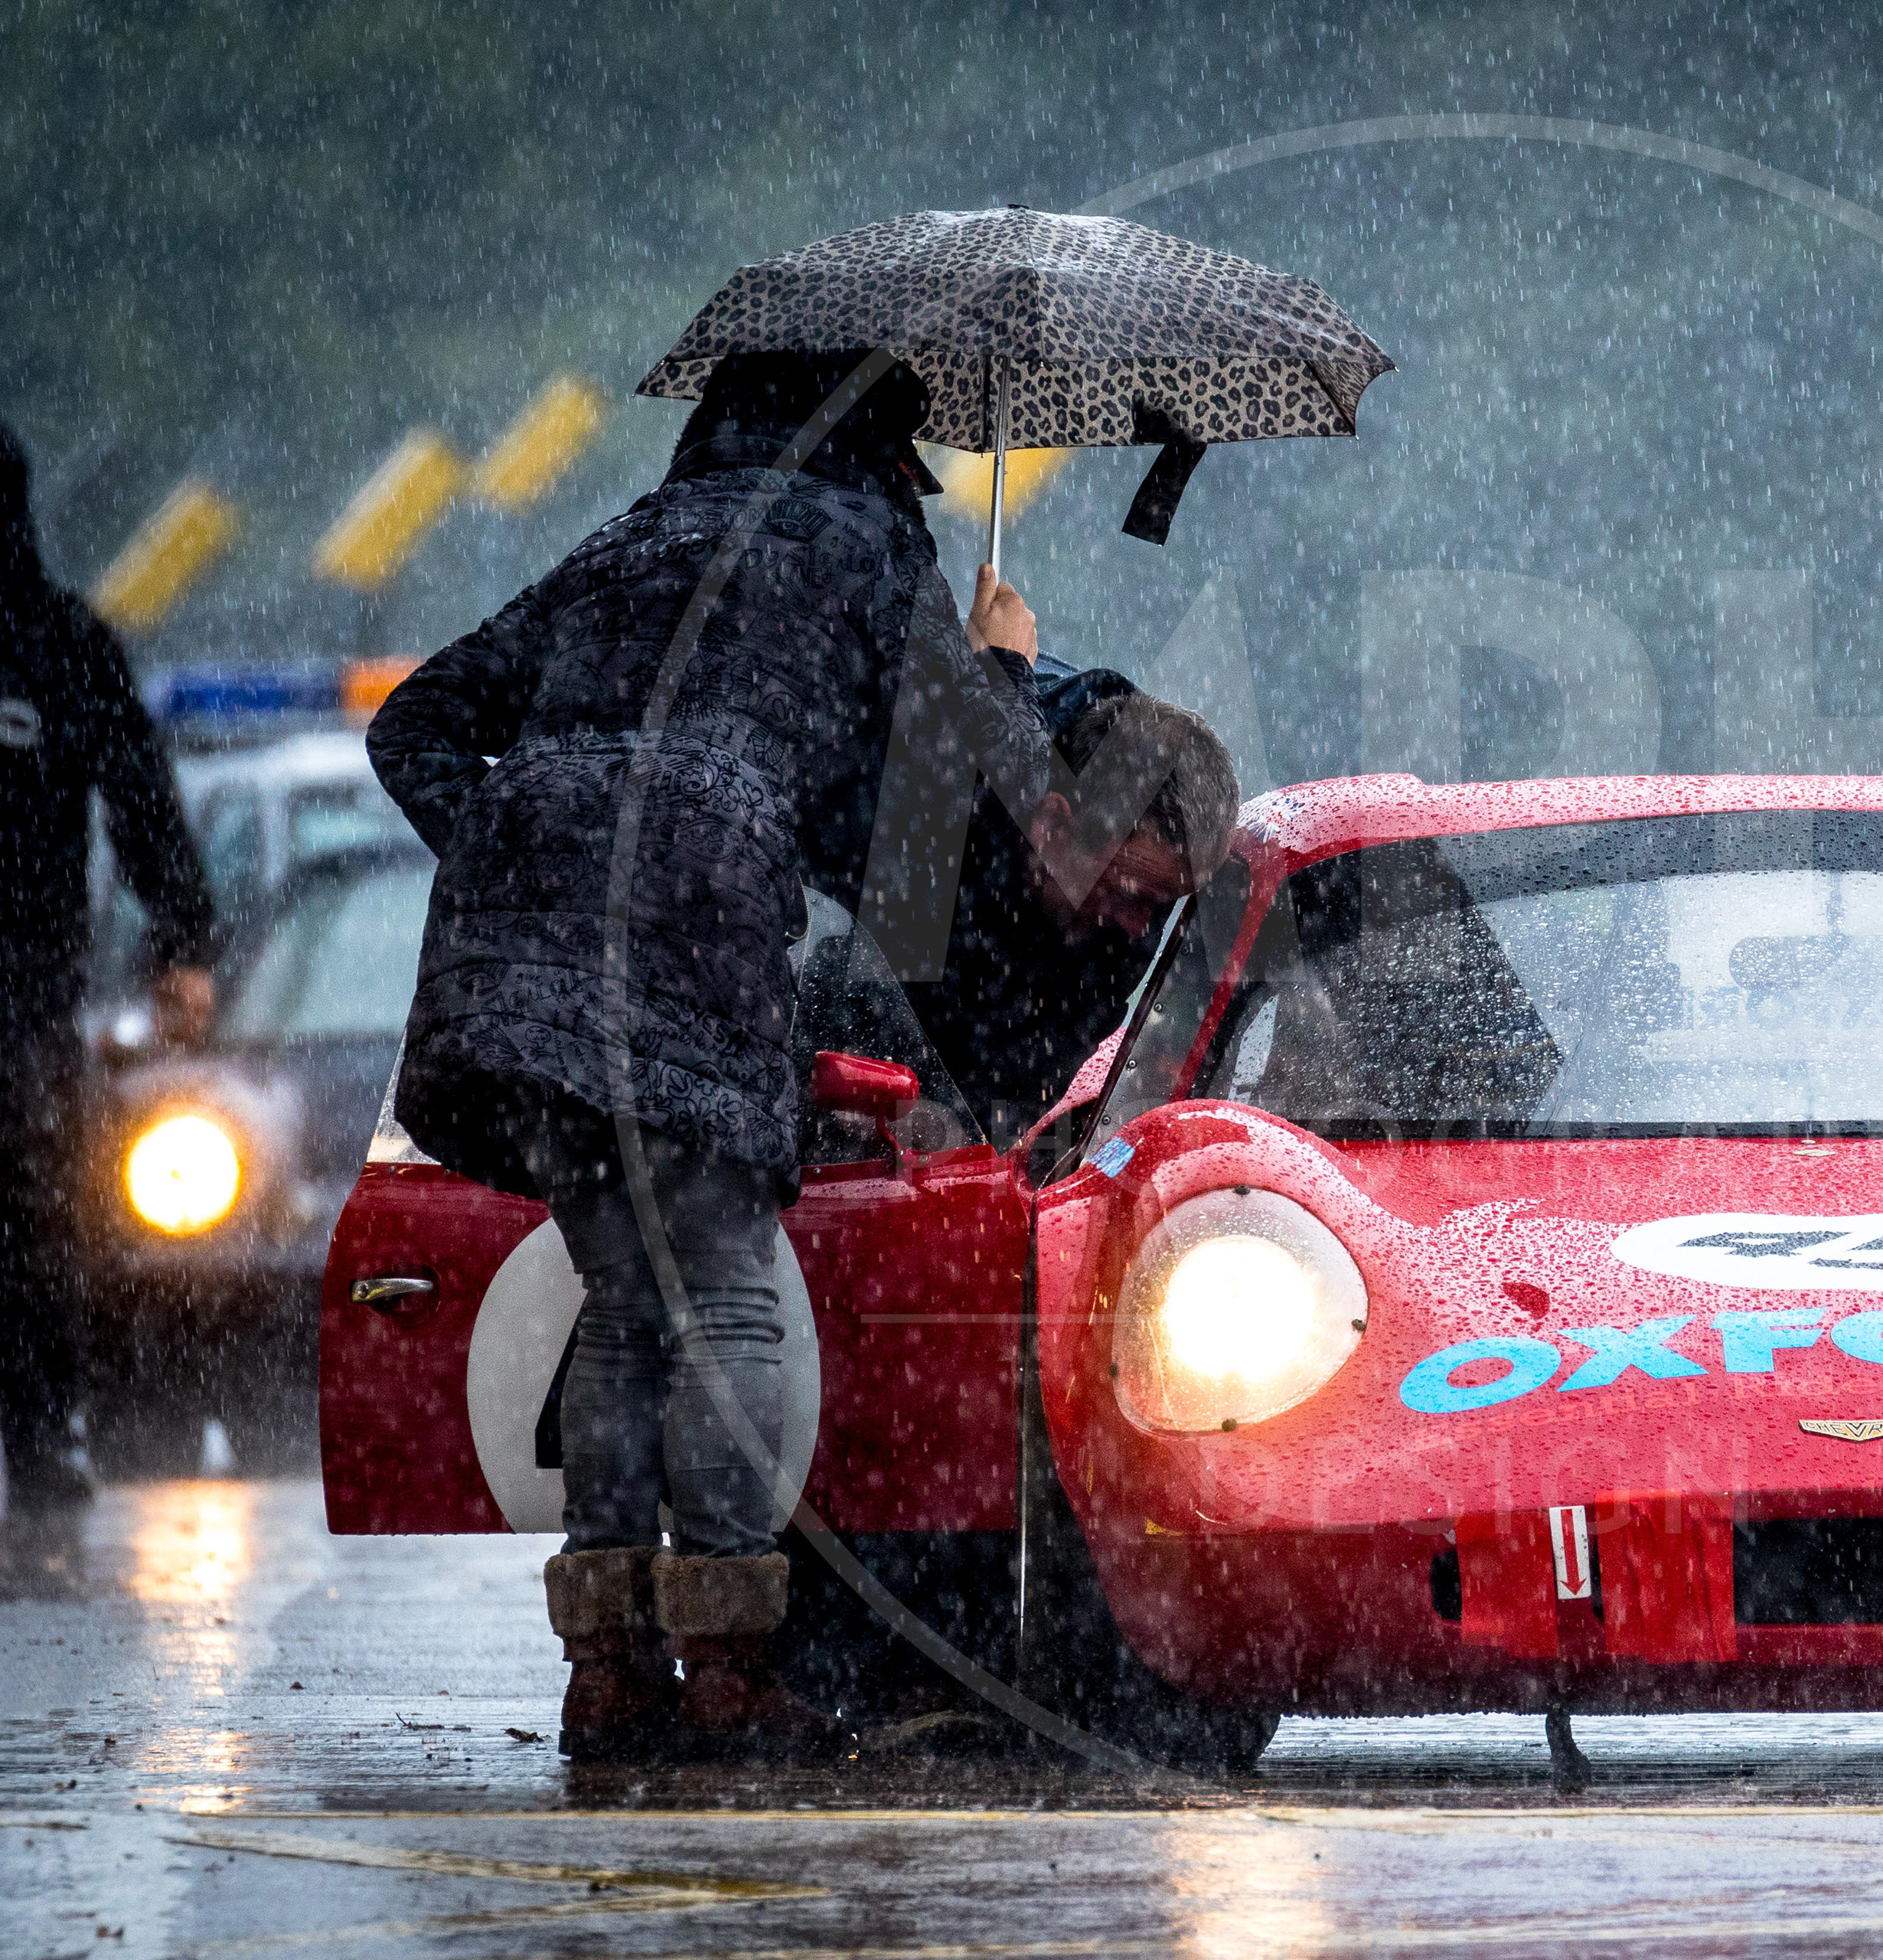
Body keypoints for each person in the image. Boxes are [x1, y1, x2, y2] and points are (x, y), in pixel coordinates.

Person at [367, 351, 1046, 1763]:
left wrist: (511, 853)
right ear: (878, 444)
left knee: (626, 1300)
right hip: (693, 929)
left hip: (518, 971)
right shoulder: (865, 538)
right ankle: (730, 1666)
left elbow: (413, 723)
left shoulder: (630, 535)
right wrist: (1002, 659)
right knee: (726, 1291)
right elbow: (978, 775)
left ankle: (609, 1671)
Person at [0, 425, 216, 1514]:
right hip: (34, 999)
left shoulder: (60, 645)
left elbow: (141, 798)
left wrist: (182, 939)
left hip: (28, 995)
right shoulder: (65, 641)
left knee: (36, 1217)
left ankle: (42, 1434)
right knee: (34, 1215)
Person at [906, 663, 1241, 1143]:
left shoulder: (1142, 876)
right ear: (1052, 827)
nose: (1139, 928)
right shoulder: (932, 783)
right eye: (1129, 894)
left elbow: (1032, 1077)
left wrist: (963, 1129)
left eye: (1165, 903)